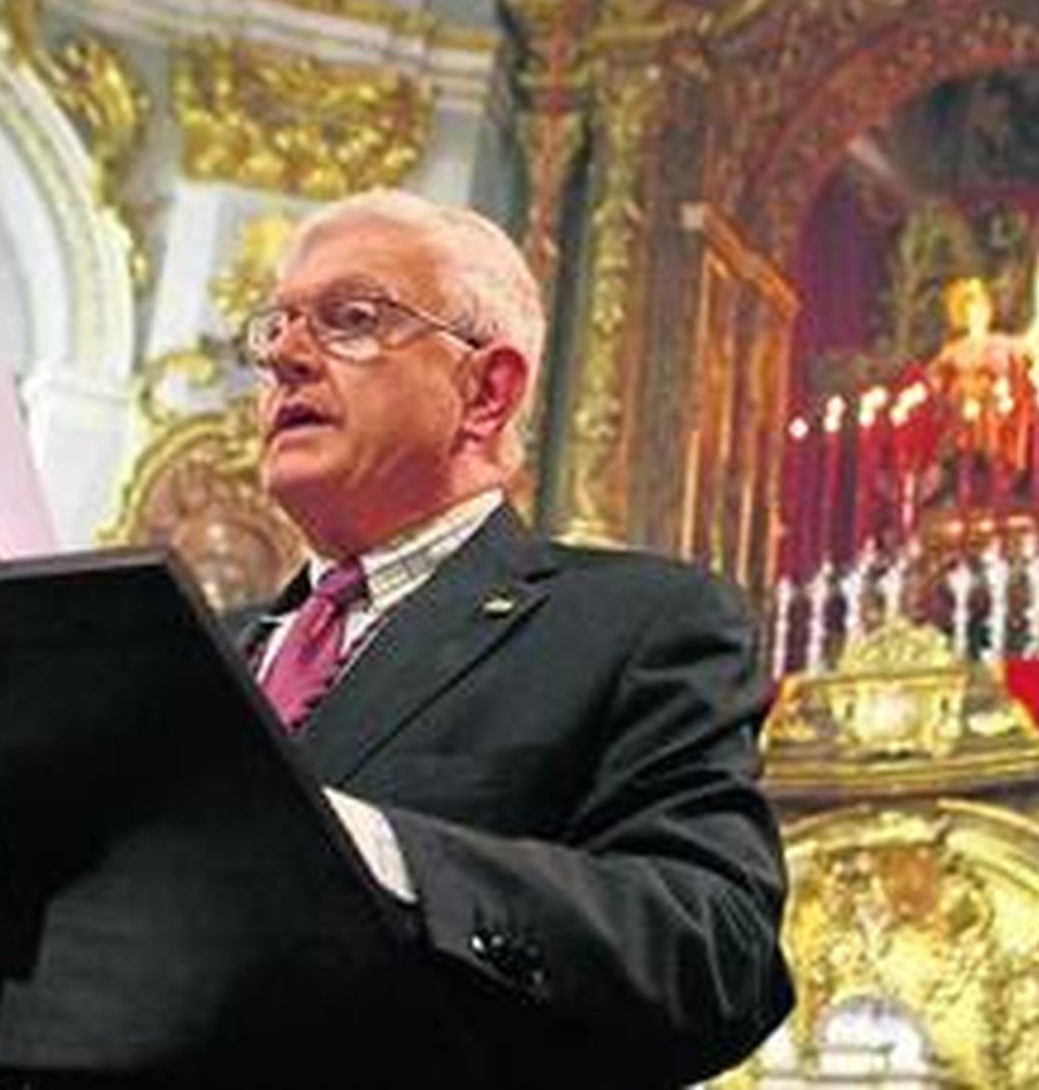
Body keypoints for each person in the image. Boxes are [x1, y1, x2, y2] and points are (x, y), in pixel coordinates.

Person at [233, 189, 794, 1087]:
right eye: (276, 331)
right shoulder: (204, 652)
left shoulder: (638, 625)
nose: (287, 359)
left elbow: (713, 952)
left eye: (349, 320)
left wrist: (378, 853)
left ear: (485, 391)